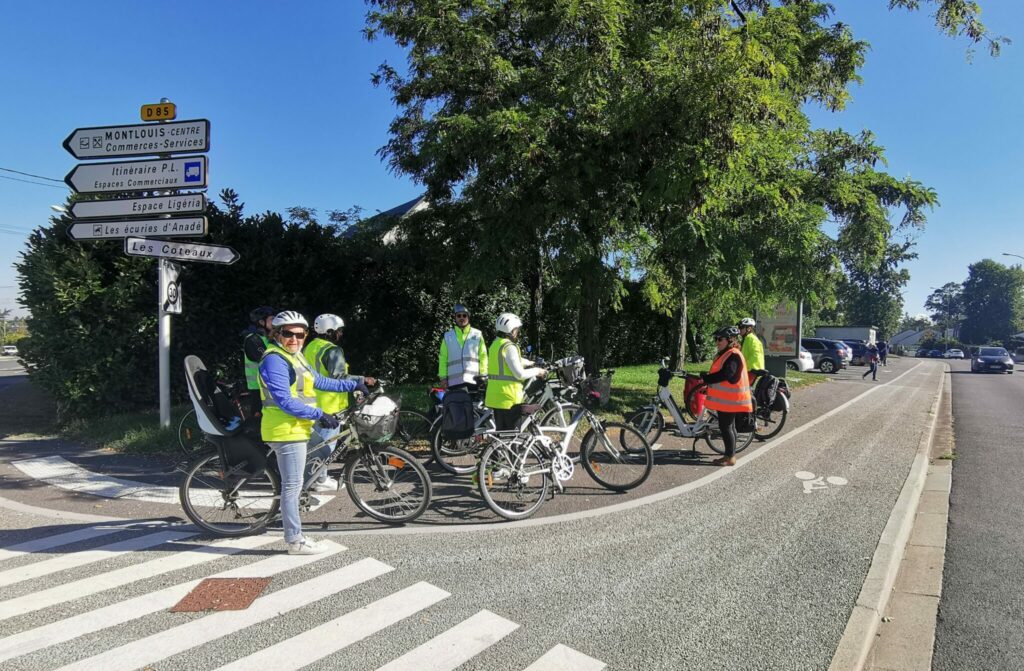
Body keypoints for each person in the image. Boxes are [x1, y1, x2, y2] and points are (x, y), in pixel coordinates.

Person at [258, 311, 373, 555]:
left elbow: (320, 381)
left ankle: (313, 487)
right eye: (288, 334)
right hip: (285, 430)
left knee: (321, 451)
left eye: (300, 334)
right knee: (292, 485)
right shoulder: (275, 360)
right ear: (277, 334)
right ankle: (295, 541)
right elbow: (284, 400)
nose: (295, 339)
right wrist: (319, 414)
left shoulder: (295, 356)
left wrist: (356, 382)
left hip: (300, 426)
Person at [303, 313, 358, 493]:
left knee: (315, 445)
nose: (340, 334)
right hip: (329, 404)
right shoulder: (332, 350)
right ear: (330, 331)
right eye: (339, 330)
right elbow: (339, 376)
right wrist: (363, 381)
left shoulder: (310, 346)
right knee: (326, 446)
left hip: (312, 401)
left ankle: (315, 478)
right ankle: (319, 479)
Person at [701, 326, 753, 467]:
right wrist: (707, 379)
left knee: (726, 427)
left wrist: (707, 378)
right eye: (715, 339)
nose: (717, 342)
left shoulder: (733, 354)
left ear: (730, 340)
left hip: (731, 400)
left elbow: (727, 375)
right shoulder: (728, 353)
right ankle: (729, 454)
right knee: (729, 427)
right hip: (728, 400)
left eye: (720, 339)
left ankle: (730, 457)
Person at [484, 312, 545, 431]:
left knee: (502, 438)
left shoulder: (496, 345)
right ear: (511, 330)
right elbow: (520, 374)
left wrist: (529, 362)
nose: (517, 332)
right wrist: (537, 370)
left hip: (496, 397)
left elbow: (509, 360)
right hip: (509, 398)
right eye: (517, 329)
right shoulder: (509, 346)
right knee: (513, 438)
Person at [438, 303, 488, 392]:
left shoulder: (477, 334)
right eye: (459, 316)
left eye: (464, 315)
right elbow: (443, 358)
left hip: (474, 380)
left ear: (468, 317)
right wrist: (443, 377)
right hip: (454, 382)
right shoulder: (448, 336)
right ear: (455, 318)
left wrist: (483, 374)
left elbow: (483, 356)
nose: (462, 318)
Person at [242, 305, 276, 419]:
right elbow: (269, 362)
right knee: (260, 419)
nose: (275, 322)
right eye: (272, 319)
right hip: (257, 387)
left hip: (267, 385)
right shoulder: (253, 340)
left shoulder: (268, 338)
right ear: (261, 322)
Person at [738, 317, 765, 384]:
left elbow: (744, 355)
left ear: (749, 328)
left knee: (743, 388)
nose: (739, 329)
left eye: (741, 327)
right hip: (755, 367)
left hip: (751, 368)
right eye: (739, 327)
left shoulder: (748, 338)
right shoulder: (752, 337)